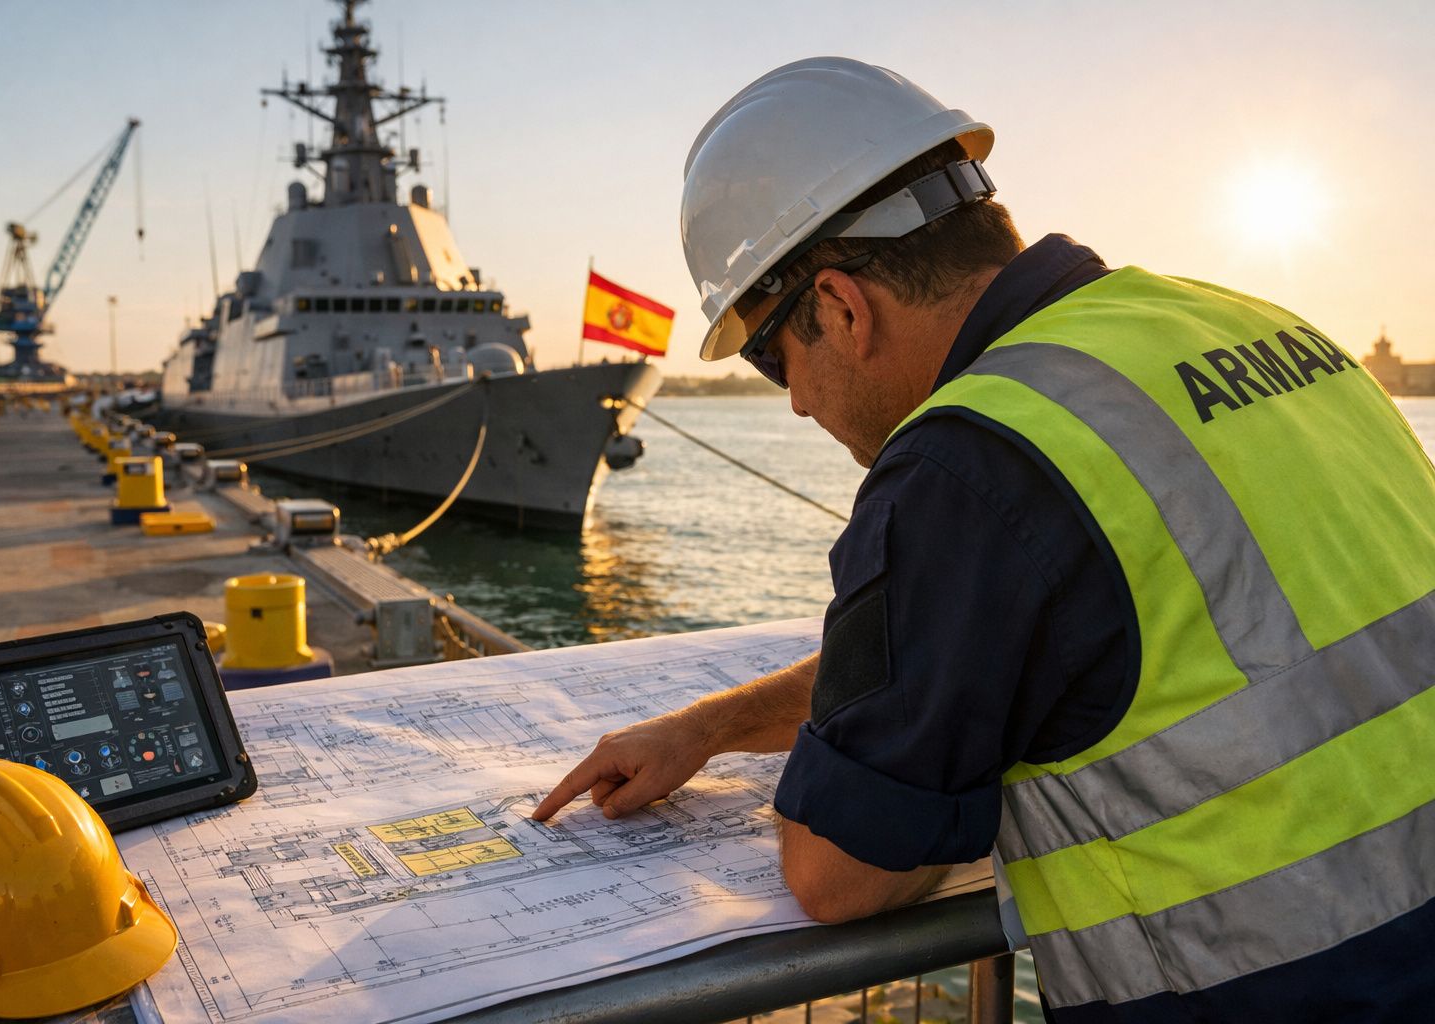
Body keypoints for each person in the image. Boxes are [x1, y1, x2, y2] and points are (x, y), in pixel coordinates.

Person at [533, 57, 1435, 1022]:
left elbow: (845, 874)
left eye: (770, 356)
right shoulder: (1247, 322)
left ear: (839, 306)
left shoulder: (968, 461)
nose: (793, 401)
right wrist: (707, 730)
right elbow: (1019, 643)